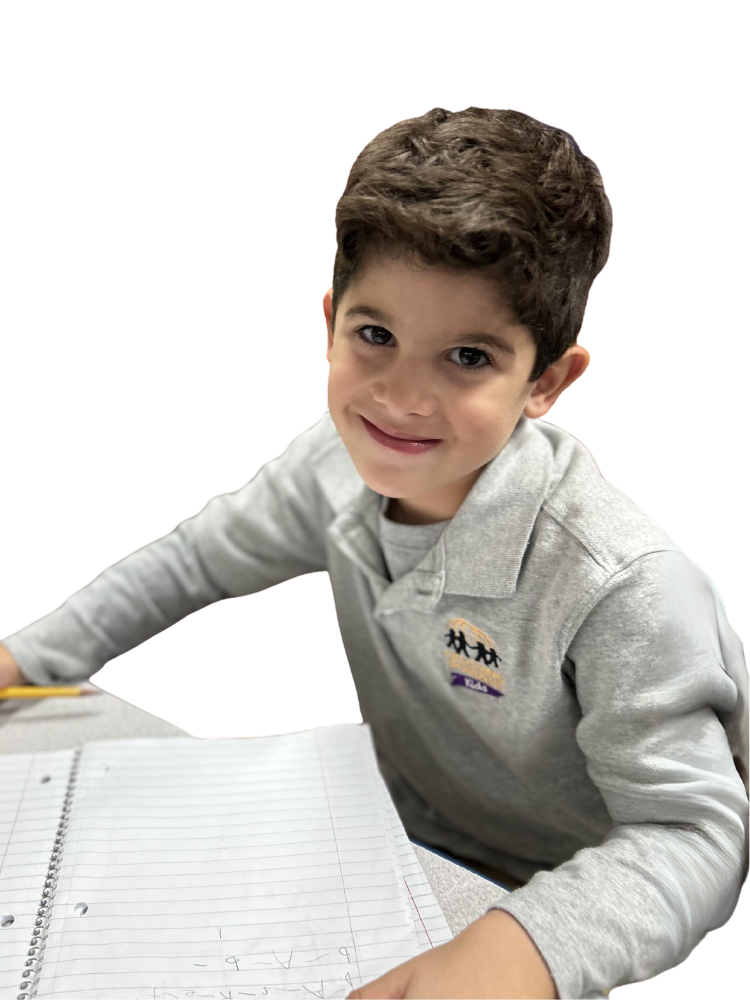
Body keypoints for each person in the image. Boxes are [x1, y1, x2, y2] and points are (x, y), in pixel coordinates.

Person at [1, 106, 748, 1000]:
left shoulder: (622, 584)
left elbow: (693, 836)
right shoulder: (330, 464)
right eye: (376, 336)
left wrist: (523, 950)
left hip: (568, 928)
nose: (402, 398)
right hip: (398, 854)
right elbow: (191, 562)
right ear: (328, 322)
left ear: (547, 380)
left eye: (467, 355)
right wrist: (23, 658)